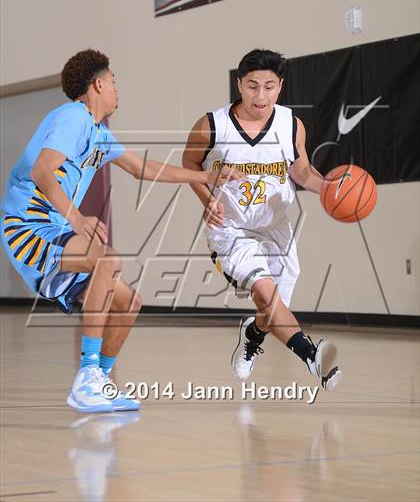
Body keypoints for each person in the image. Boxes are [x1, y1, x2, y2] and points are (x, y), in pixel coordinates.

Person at [0, 49, 241, 413]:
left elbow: (143, 168)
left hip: (54, 230)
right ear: (97, 84)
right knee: (108, 260)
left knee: (129, 302)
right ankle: (86, 379)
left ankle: (100, 383)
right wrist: (77, 217)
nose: (116, 90)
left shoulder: (98, 133)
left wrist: (206, 176)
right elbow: (42, 172)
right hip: (27, 227)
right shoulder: (72, 118)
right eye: (113, 82)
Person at [182, 49, 342, 391]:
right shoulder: (213, 125)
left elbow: (301, 170)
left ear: (280, 87)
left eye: (269, 87)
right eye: (252, 86)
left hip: (275, 227)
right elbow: (189, 165)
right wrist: (207, 200)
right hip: (231, 229)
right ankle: (313, 358)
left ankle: (251, 336)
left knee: (272, 308)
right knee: (266, 294)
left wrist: (329, 189)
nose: (260, 95)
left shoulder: (290, 125)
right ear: (239, 84)